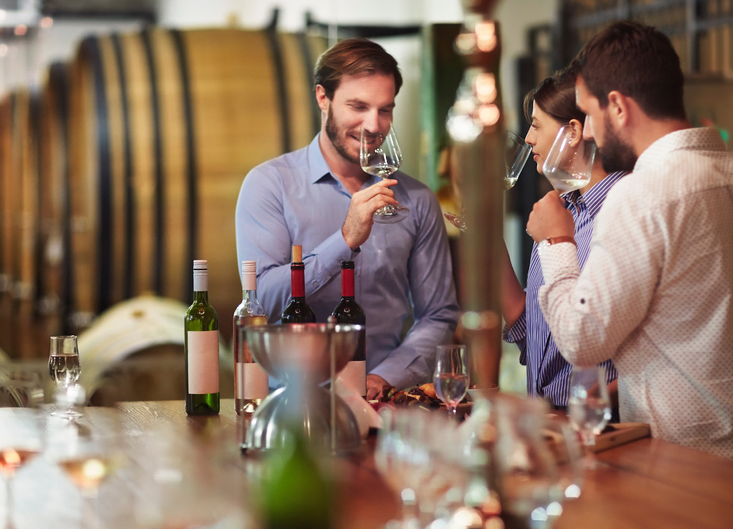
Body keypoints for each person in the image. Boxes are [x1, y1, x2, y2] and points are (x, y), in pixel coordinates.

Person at [526, 21, 733, 468]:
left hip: (686, 463)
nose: (589, 133)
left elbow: (581, 341)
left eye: (590, 114)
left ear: (617, 105)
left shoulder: (640, 193)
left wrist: (557, 241)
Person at [235, 38, 459, 400]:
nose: (373, 125)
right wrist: (345, 240)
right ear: (323, 98)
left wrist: (384, 378)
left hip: (384, 404)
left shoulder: (416, 200)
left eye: (385, 110)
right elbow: (263, 304)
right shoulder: (269, 185)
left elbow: (438, 315)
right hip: (290, 405)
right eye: (358, 106)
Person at [501, 70, 626, 410]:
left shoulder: (622, 213)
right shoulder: (560, 211)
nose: (528, 138)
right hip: (550, 427)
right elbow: (536, 337)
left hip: (600, 430)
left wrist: (583, 408)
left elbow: (640, 357)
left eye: (537, 125)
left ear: (573, 132)